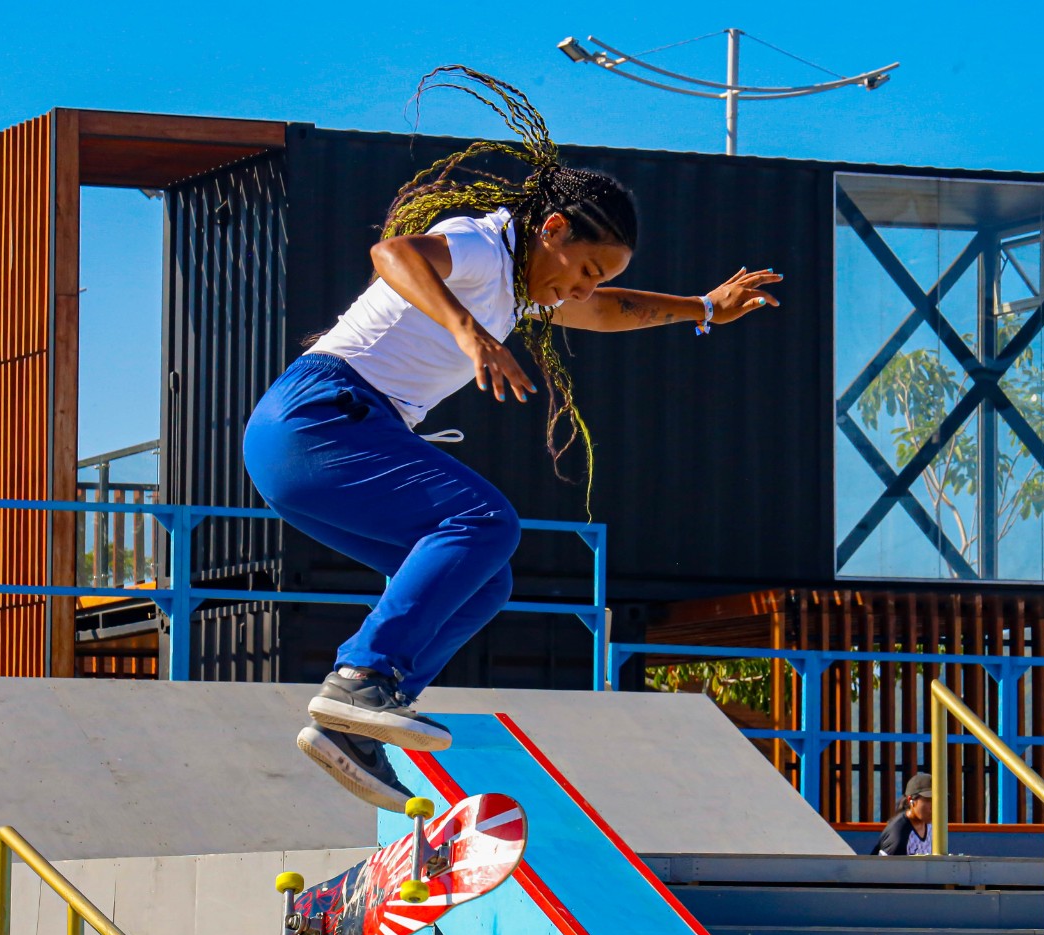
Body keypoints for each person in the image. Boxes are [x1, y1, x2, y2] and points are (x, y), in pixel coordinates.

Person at [241, 67, 781, 811]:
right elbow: (394, 254)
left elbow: (611, 309)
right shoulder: (482, 247)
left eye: (596, 279)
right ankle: (361, 675)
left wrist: (703, 308)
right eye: (582, 269)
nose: (581, 290)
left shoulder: (519, 289)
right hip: (318, 418)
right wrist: (467, 333)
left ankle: (358, 724)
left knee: (484, 579)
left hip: (309, 449)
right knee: (485, 520)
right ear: (552, 231)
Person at [873, 773, 936, 856]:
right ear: (911, 800)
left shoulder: (933, 828)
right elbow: (885, 867)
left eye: (937, 800)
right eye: (928, 800)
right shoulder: (898, 834)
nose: (934, 806)